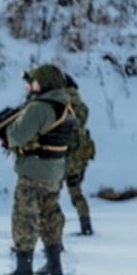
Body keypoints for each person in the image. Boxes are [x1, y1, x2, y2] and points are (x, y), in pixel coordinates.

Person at [0, 63, 75, 275]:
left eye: (34, 82)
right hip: (54, 171)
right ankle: (54, 264)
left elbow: (17, 136)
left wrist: (7, 132)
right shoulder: (65, 106)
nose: (30, 86)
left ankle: (23, 269)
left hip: (33, 171)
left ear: (45, 84)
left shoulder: (39, 107)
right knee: (51, 216)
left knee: (25, 217)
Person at [62, 74, 95, 236]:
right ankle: (86, 225)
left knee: (50, 196)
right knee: (76, 191)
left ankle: (53, 238)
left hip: (62, 156)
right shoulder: (82, 106)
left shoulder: (60, 103)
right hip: (79, 157)